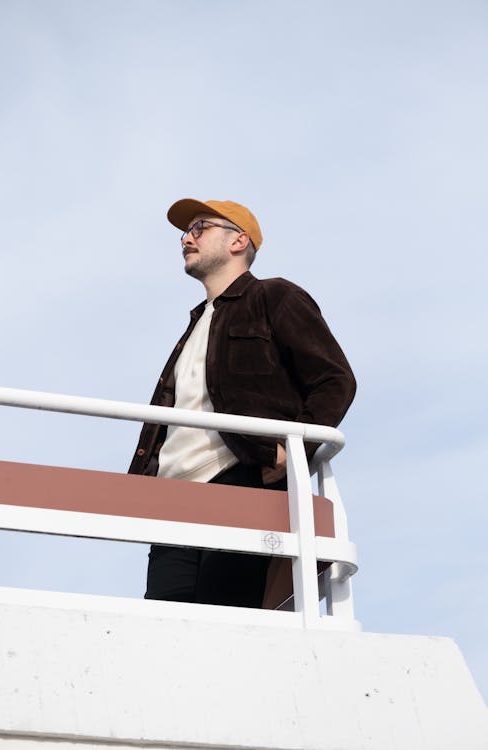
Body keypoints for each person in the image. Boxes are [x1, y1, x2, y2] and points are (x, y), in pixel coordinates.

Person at [129, 198, 356, 608]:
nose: (186, 238)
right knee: (163, 625)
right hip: (174, 496)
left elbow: (334, 379)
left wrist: (292, 449)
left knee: (227, 613)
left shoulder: (275, 297)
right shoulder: (197, 325)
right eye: (185, 231)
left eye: (200, 227)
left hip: (241, 477)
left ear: (238, 241)